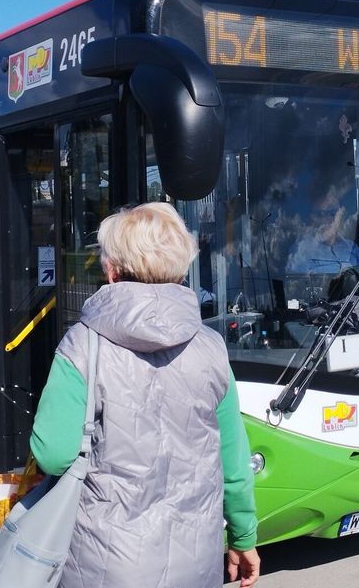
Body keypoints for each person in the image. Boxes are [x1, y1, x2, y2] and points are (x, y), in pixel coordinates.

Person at [29, 202, 261, 588]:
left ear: (111, 269)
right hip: (195, 563)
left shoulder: (82, 346)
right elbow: (234, 462)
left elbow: (52, 454)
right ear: (181, 268)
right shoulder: (211, 347)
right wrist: (243, 538)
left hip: (103, 565)